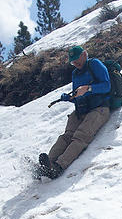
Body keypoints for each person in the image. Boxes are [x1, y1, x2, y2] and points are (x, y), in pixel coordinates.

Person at [37, 45, 111, 179]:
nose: (75, 63)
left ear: (84, 54)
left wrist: (89, 88)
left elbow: (106, 86)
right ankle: (47, 164)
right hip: (81, 109)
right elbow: (78, 95)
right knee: (66, 137)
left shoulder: (95, 64)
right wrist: (70, 98)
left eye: (77, 59)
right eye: (73, 61)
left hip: (99, 108)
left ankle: (58, 167)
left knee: (80, 136)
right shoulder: (75, 74)